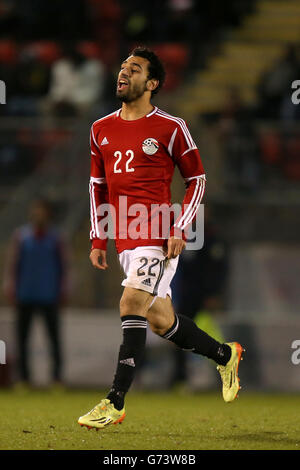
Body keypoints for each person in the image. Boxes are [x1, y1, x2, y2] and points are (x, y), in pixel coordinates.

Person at [78, 47, 244, 430]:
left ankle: (114, 400)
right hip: (123, 238)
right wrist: (98, 239)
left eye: (133, 69)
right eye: (121, 67)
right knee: (160, 320)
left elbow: (197, 179)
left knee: (130, 300)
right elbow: (97, 186)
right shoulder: (99, 128)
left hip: (156, 232)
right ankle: (225, 355)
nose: (123, 73)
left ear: (151, 84)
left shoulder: (170, 127)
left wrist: (179, 228)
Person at [3, 198, 69, 387]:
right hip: (25, 293)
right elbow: (13, 264)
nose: (38, 214)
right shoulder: (22, 236)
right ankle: (24, 378)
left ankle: (57, 378)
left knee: (54, 339)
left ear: (48, 214)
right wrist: (11, 287)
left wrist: (63, 289)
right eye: (36, 210)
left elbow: (63, 266)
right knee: (22, 339)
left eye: (42, 211)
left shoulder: (56, 238)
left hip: (49, 294)